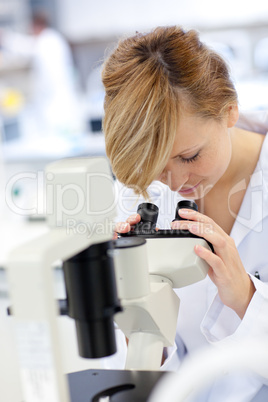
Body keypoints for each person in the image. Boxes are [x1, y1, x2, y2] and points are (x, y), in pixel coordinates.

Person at [101, 26, 268, 401]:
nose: (175, 181)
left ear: (229, 112)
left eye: (189, 156)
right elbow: (133, 371)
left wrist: (245, 297)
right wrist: (135, 314)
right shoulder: (140, 192)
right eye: (158, 165)